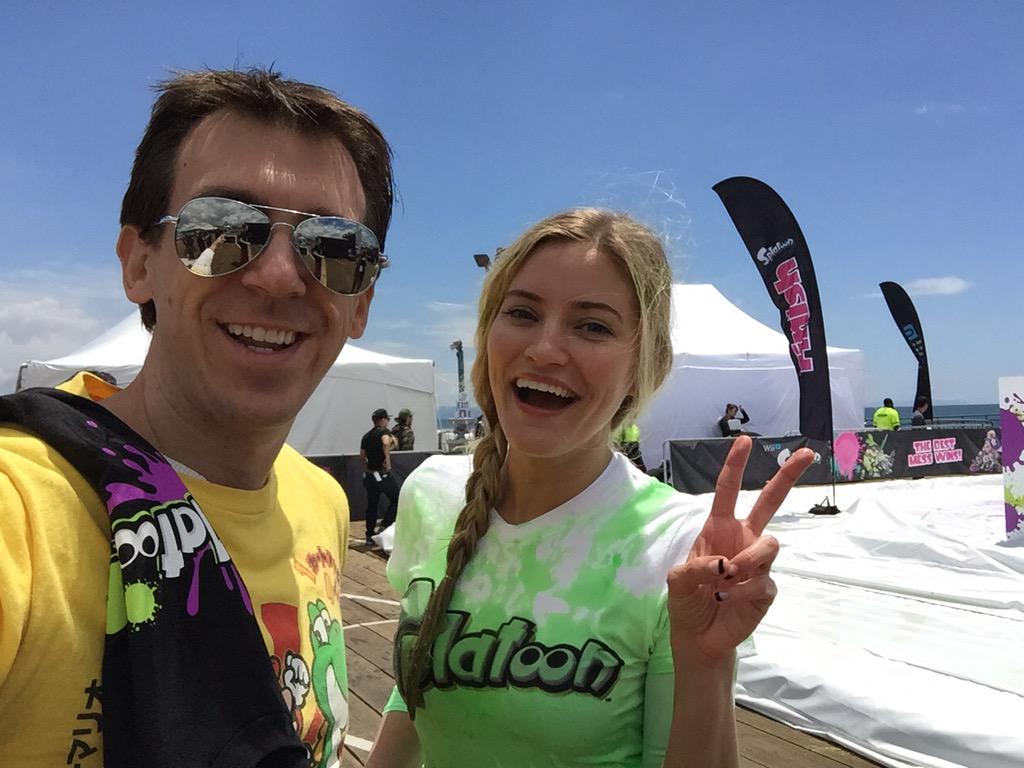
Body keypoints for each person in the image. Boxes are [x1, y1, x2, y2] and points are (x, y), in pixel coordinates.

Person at [0, 67, 395, 767]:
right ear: (138, 265)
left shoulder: (322, 502)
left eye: (335, 247)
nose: (280, 275)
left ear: (360, 302)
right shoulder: (23, 512)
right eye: (221, 228)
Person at [365, 209, 812, 767]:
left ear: (642, 368)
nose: (545, 348)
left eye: (593, 327)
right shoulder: (432, 493)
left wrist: (706, 663)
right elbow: (412, 696)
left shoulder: (680, 546)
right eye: (522, 313)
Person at [361, 408, 401, 545]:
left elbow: (362, 456)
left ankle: (369, 534)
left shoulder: (366, 436)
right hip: (382, 473)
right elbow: (385, 442)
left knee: (372, 504)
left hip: (370, 475)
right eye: (387, 419)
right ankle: (384, 525)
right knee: (397, 498)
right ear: (382, 420)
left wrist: (368, 468)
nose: (388, 421)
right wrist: (387, 460)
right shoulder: (384, 432)